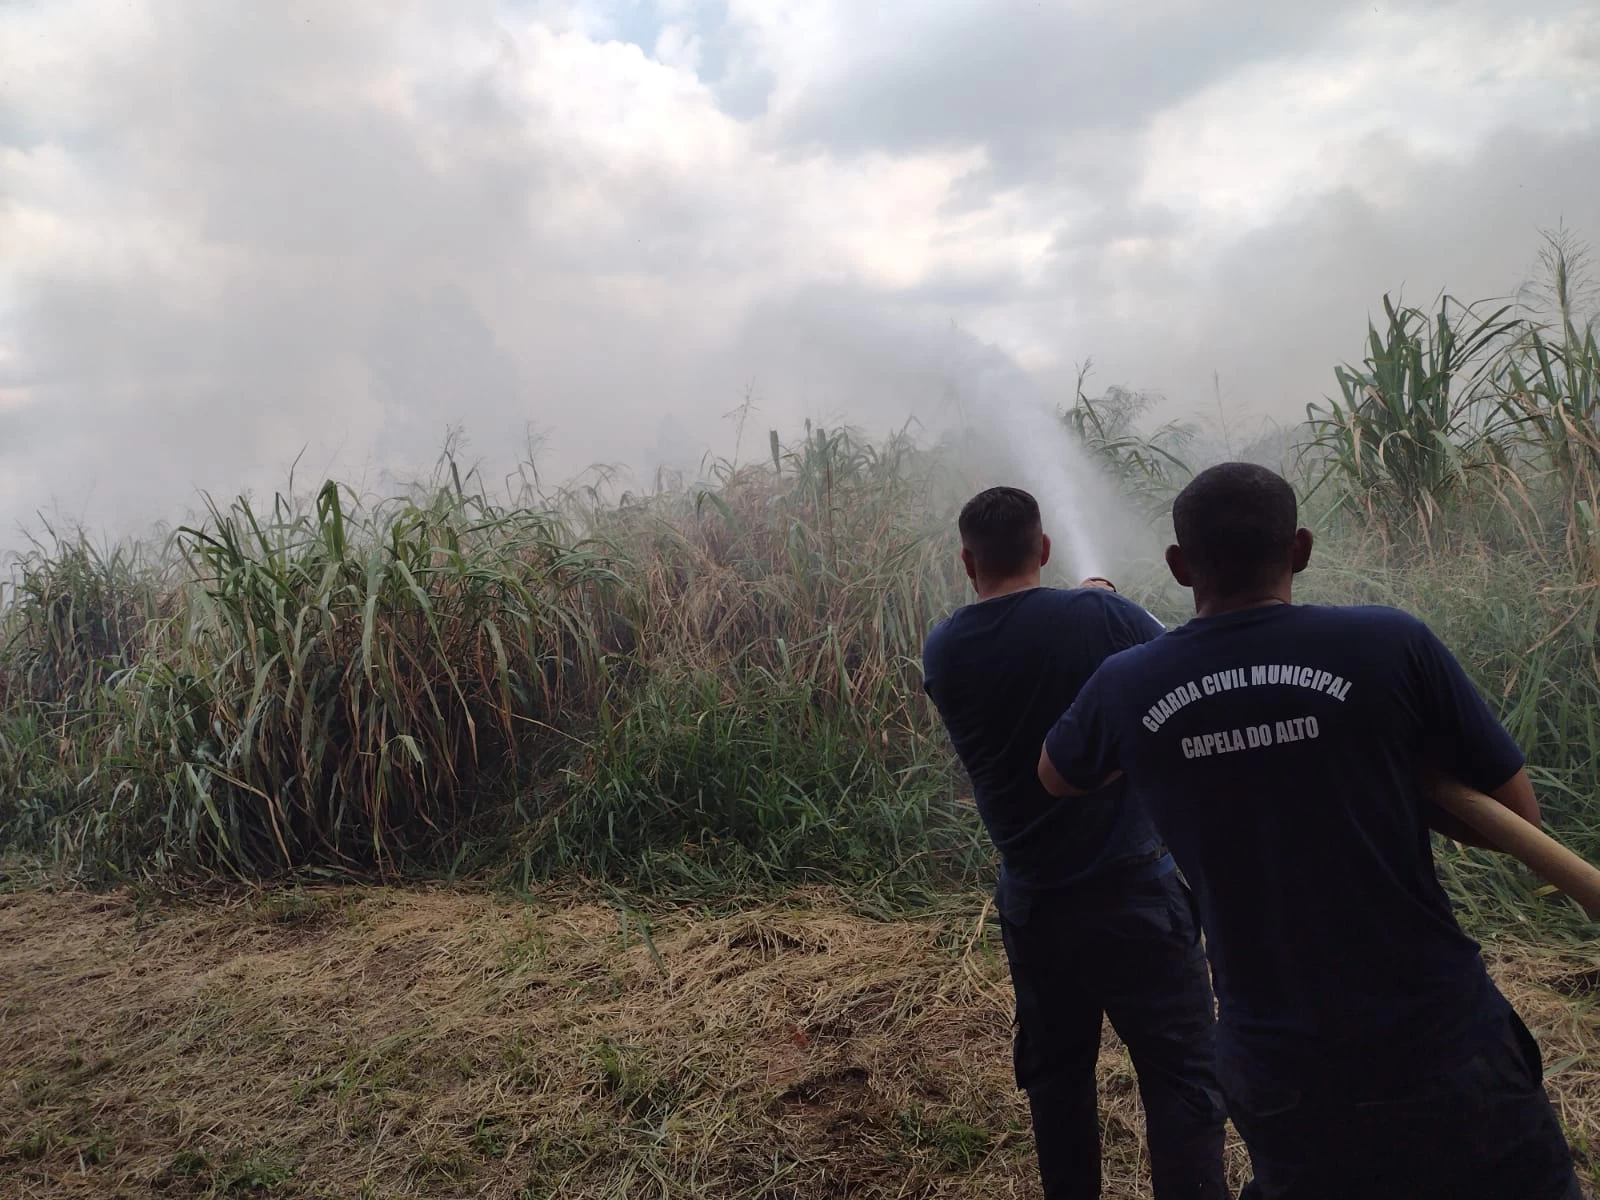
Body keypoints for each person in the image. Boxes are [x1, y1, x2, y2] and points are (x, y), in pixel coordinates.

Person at [1037, 462, 1582, 1200]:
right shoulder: (1391, 644)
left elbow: (1057, 774)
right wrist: (1381, 774)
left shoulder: (1126, 685)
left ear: (1177, 566)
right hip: (1443, 1040)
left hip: (1281, 1061)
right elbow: (1518, 819)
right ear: (1299, 549)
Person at [922, 486, 1228, 1200]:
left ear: (968, 561)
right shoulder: (1098, 615)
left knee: (1057, 1084)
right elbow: (1182, 662)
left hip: (1035, 906)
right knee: (1183, 1079)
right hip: (1137, 897)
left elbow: (1024, 646)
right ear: (1046, 548)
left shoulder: (945, 649)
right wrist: (1099, 599)